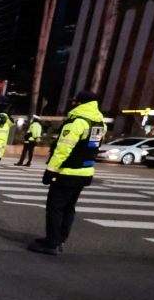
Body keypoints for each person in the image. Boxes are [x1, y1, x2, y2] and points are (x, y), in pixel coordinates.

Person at [28, 91, 105, 255]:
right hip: (85, 171)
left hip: (67, 172)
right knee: (69, 207)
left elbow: (63, 149)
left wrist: (50, 171)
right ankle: (59, 239)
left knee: (55, 207)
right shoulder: (99, 123)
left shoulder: (77, 122)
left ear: (80, 103)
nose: (74, 104)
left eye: (76, 101)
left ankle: (51, 243)